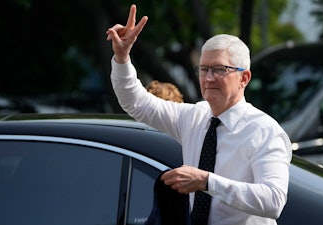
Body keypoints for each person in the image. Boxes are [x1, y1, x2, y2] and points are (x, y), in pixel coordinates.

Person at [106, 4, 292, 225]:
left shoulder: (264, 130)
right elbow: (135, 102)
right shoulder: (195, 116)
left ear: (244, 78)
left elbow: (273, 200)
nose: (209, 78)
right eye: (203, 69)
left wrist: (206, 181)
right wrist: (122, 57)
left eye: (220, 69)